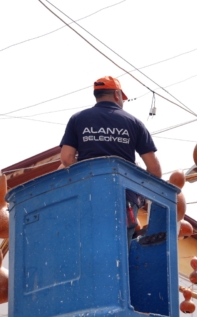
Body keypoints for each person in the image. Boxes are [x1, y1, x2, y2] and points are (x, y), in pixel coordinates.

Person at [59, 76, 162, 238]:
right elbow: (154, 170)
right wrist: (139, 194)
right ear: (116, 94)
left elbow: (66, 158)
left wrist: (85, 181)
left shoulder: (77, 119)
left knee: (85, 243)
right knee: (120, 250)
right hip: (123, 199)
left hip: (86, 196)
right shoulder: (134, 123)